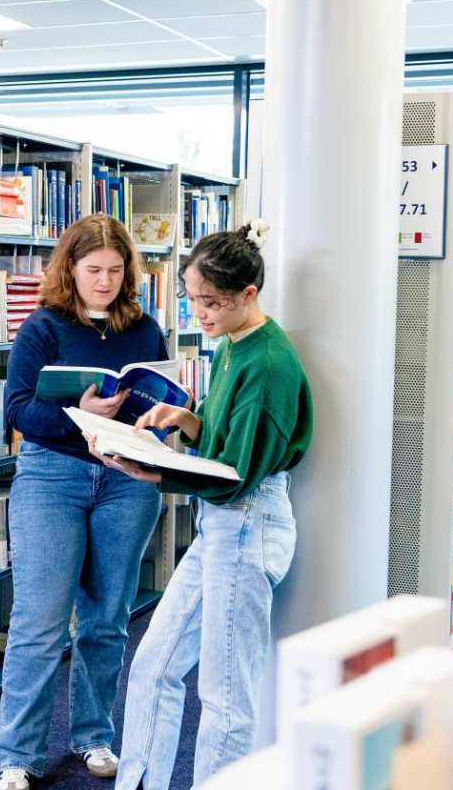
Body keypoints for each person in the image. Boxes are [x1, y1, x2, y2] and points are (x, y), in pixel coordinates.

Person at [96, 219, 312, 787]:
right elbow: (221, 443)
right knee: (153, 667)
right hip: (221, 524)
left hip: (246, 523)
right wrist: (187, 420)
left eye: (213, 303)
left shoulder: (266, 363)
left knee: (224, 697)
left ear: (249, 295)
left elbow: (237, 474)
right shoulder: (234, 346)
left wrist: (151, 471)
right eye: (193, 301)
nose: (202, 315)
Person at [0, 216, 171, 790]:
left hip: (128, 479)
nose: (105, 282)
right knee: (40, 622)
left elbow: (160, 393)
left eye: (116, 271)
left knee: (107, 619)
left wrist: (156, 418)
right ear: (70, 268)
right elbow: (16, 412)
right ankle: (17, 755)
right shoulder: (43, 327)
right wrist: (80, 416)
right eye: (94, 270)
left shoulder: (145, 328)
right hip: (54, 478)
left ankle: (94, 735)